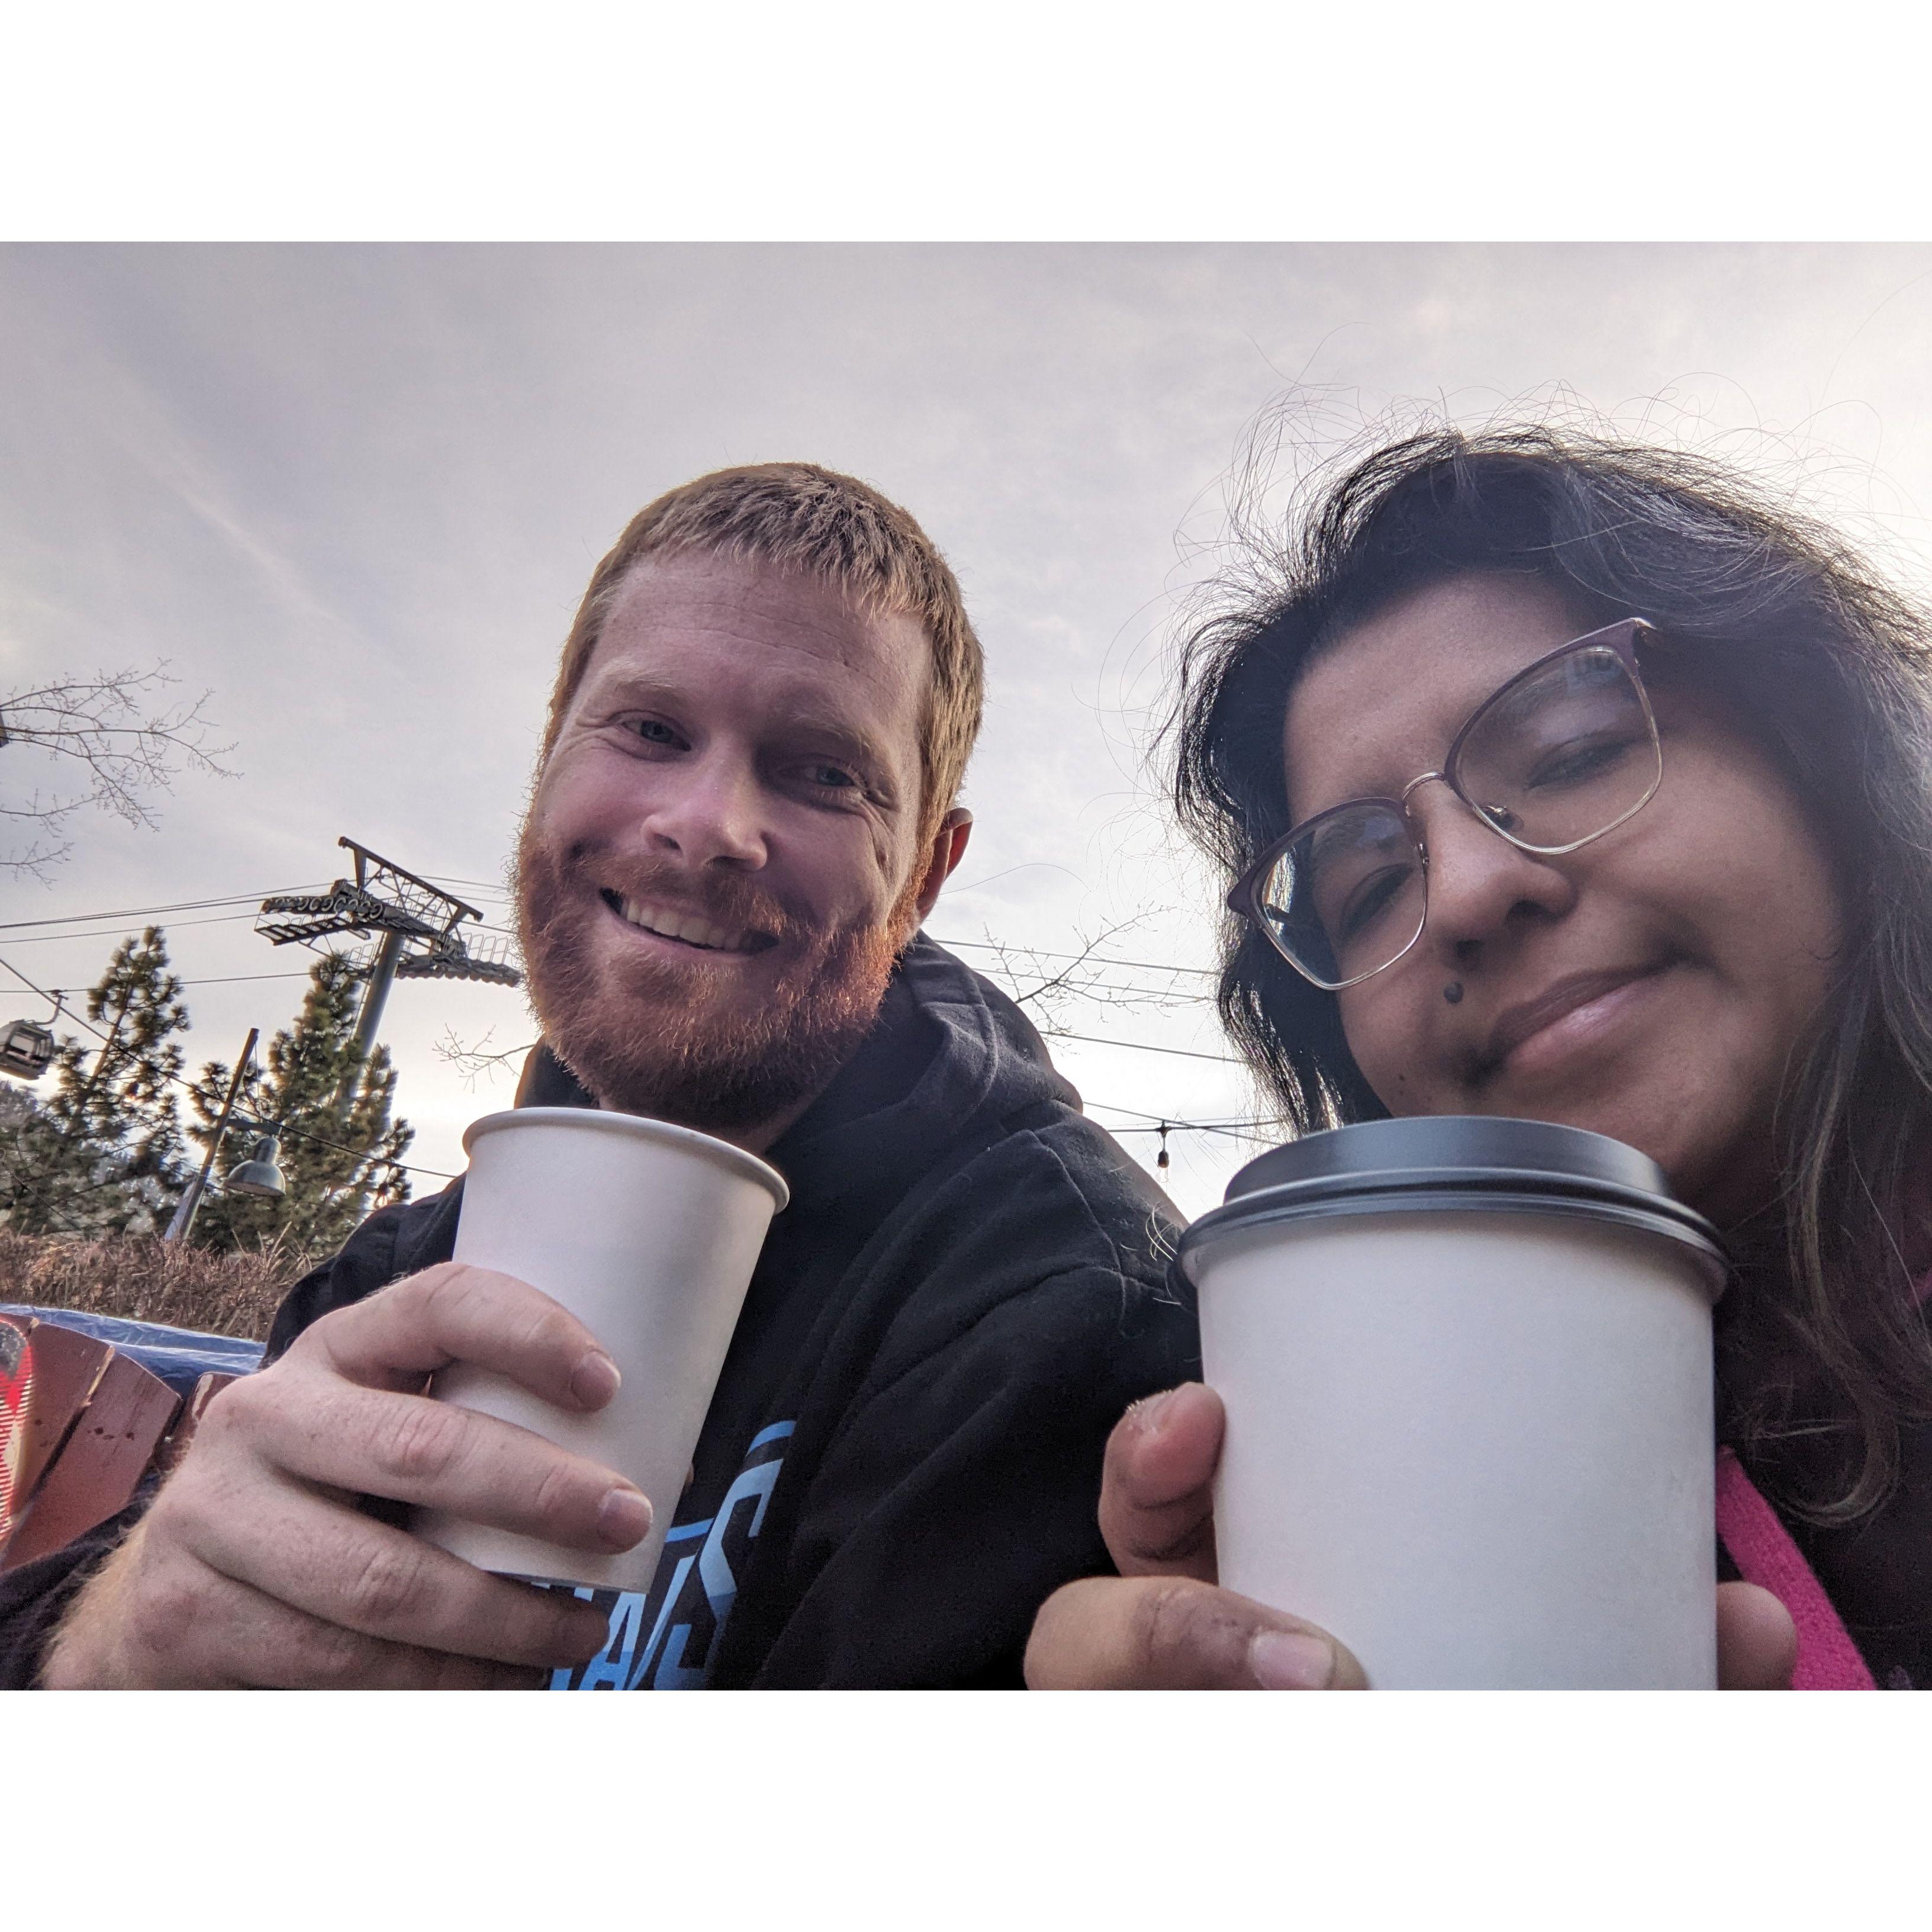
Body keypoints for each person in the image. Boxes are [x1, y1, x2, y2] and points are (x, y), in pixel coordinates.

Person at [3, 461, 1194, 1689]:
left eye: (823, 771)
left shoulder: (1069, 1314)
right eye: (651, 730)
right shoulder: (394, 1280)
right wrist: (117, 1641)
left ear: (927, 873)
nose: (706, 822)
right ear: (551, 758)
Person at [1028, 423, 1932, 1690]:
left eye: (1572, 754)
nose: (1462, 890)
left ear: (1820, 753)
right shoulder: (1347, 1455)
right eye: (1366, 887)